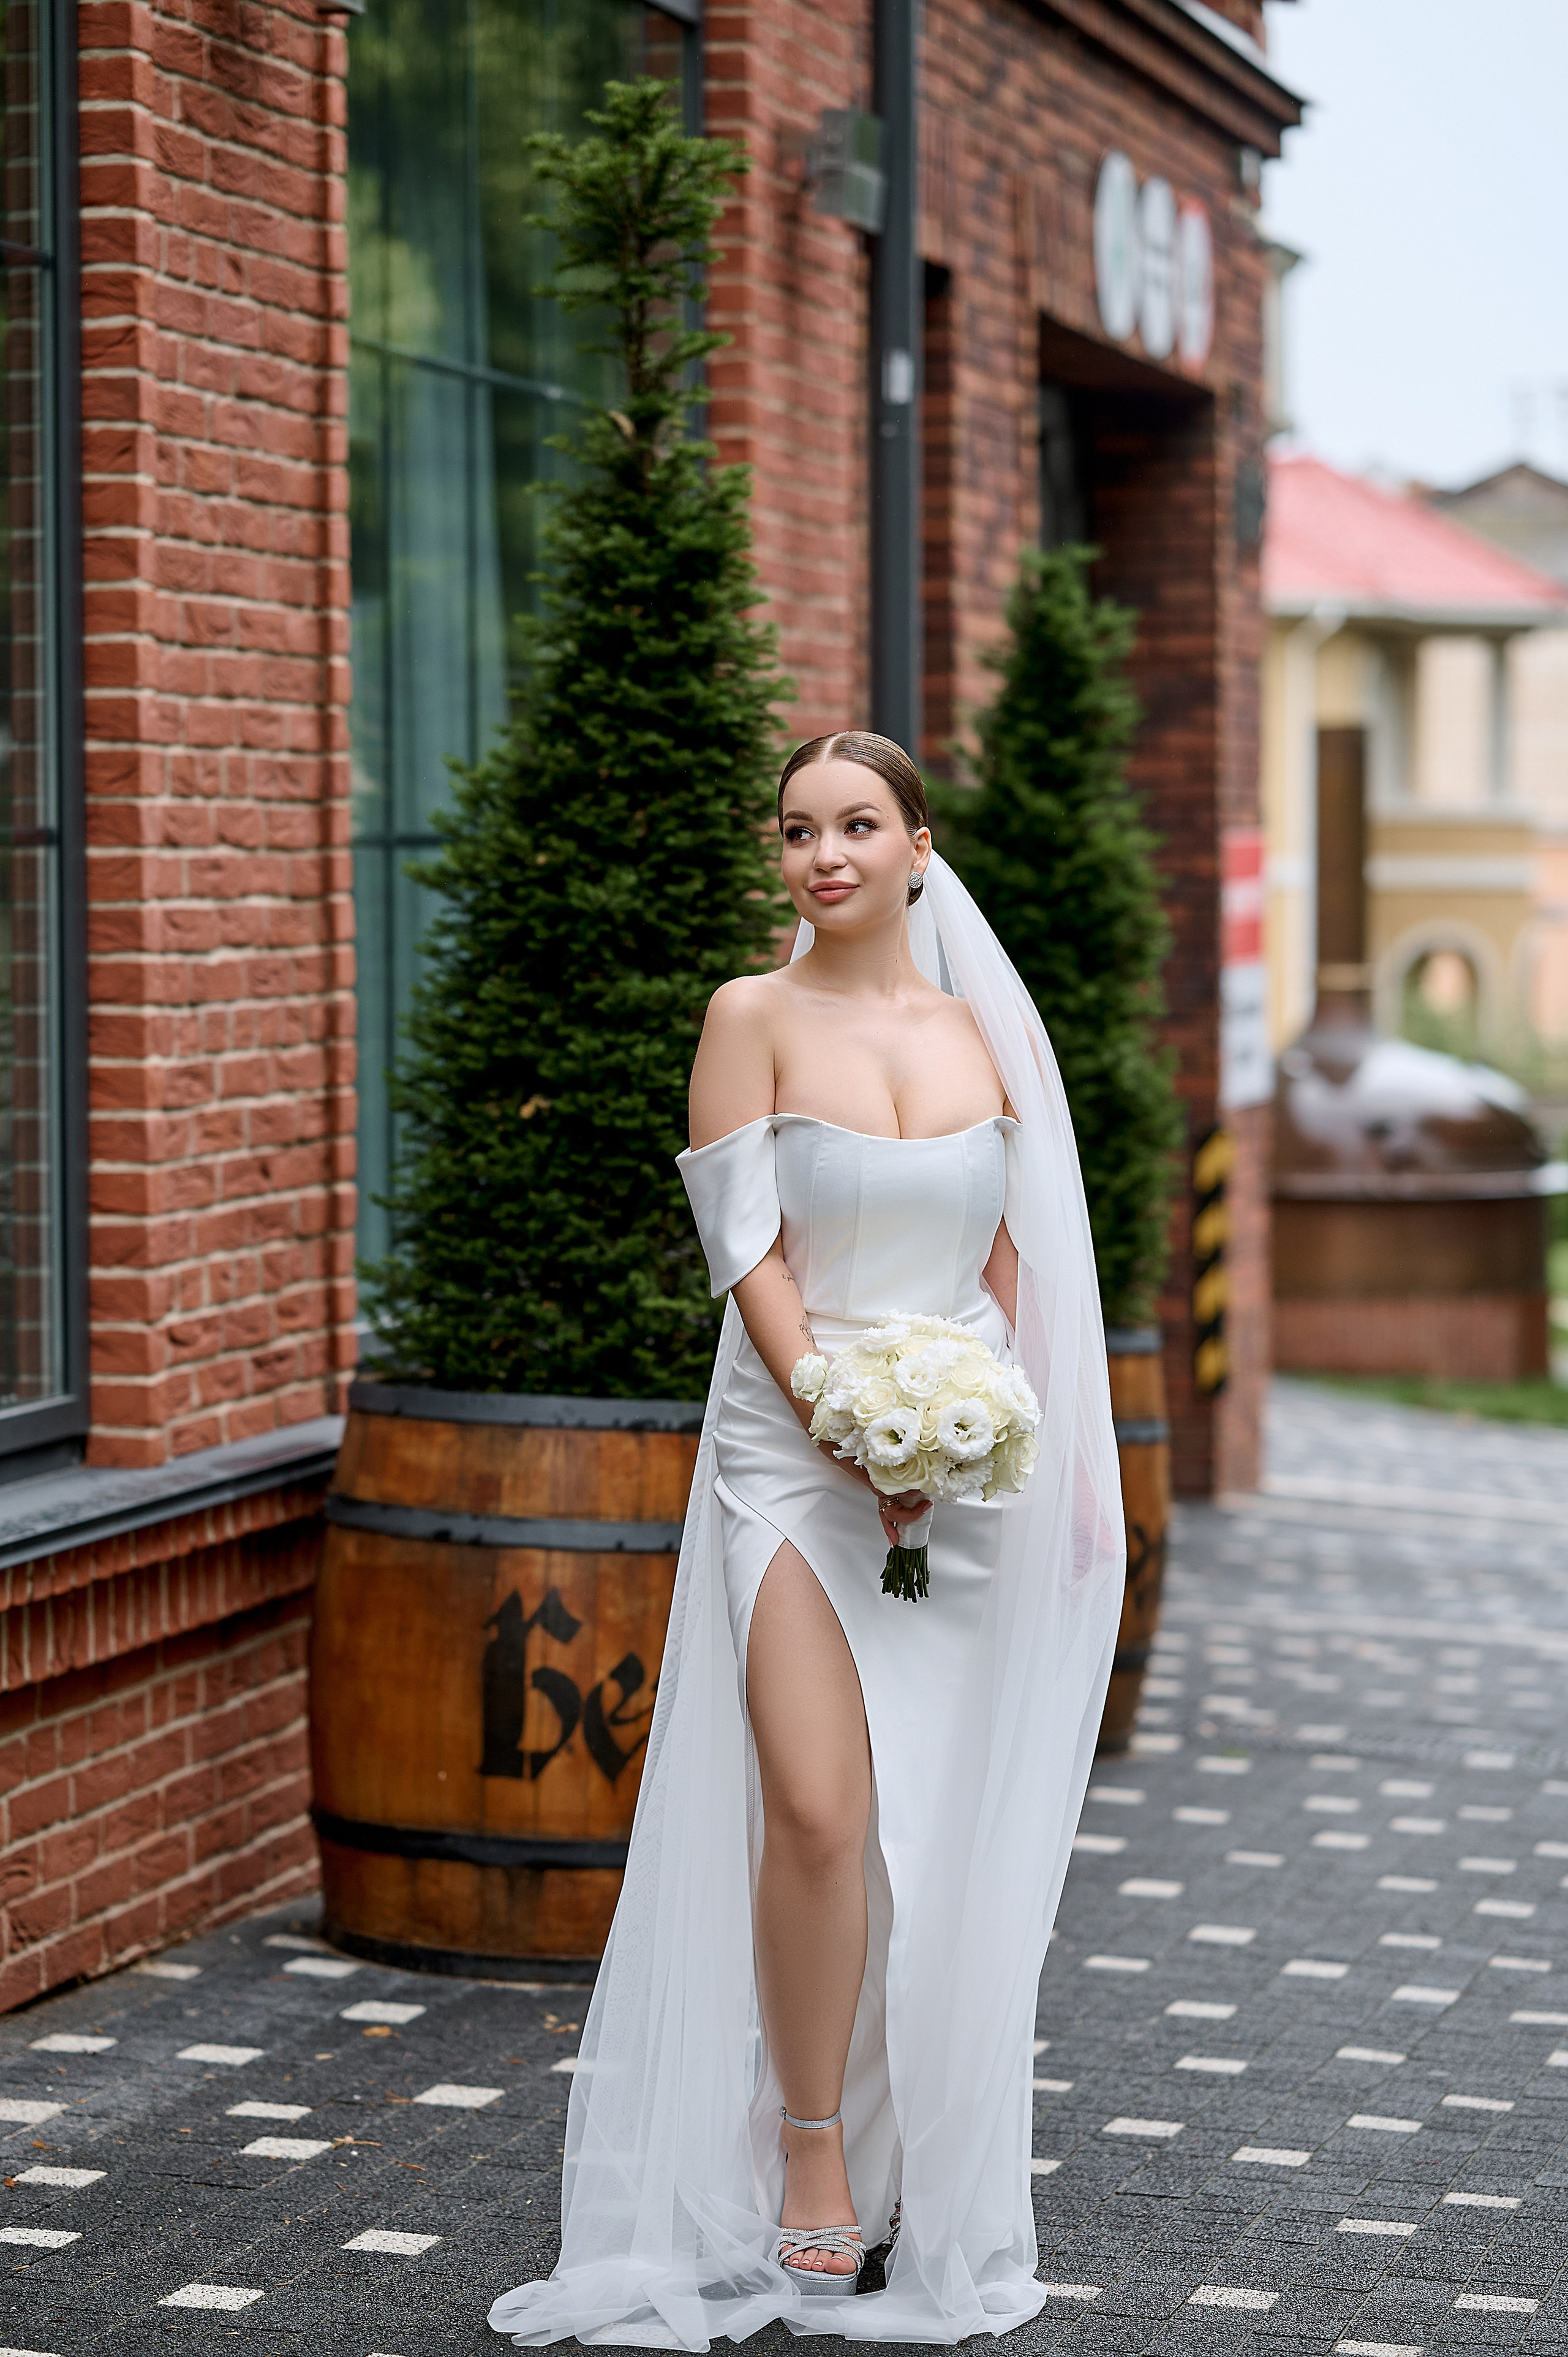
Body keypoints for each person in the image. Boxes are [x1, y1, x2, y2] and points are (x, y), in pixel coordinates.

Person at [489, 732, 1123, 2350]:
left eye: (855, 825)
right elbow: (748, 1251)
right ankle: (810, 2153)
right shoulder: (747, 1018)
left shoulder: (988, 1038)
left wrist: (1002, 1448)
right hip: (789, 1454)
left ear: (919, 845)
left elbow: (1020, 1265)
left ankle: (927, 2152)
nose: (820, 854)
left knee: (939, 1843)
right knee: (823, 1814)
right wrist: (843, 1418)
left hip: (957, 1479)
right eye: (795, 830)